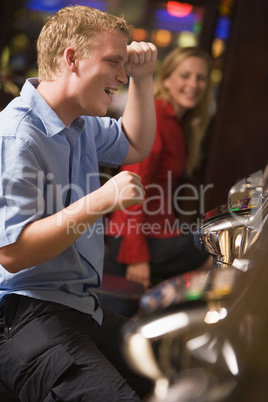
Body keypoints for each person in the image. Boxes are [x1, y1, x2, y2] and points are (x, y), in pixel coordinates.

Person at [0, 5, 158, 402]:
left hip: (80, 308)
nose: (121, 75)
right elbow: (13, 253)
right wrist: (100, 200)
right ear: (71, 58)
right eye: (113, 62)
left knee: (177, 364)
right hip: (22, 315)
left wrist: (143, 78)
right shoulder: (18, 135)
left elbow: (136, 143)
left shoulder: (79, 124)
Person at [105, 46, 214, 289]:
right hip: (132, 237)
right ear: (166, 79)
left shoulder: (178, 123)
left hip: (156, 232)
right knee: (219, 256)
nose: (193, 84)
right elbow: (131, 185)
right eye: (185, 76)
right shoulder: (155, 118)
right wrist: (136, 257)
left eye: (201, 77)